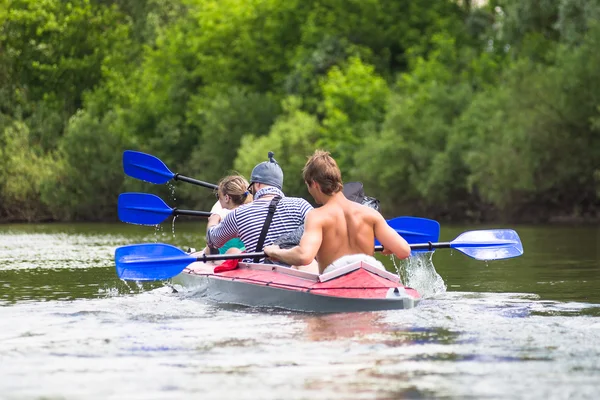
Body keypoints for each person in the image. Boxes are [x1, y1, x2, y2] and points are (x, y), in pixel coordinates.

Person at [264, 150, 411, 274]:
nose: (310, 192)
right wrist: (389, 246)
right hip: (370, 280)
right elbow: (404, 251)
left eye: (308, 186)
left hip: (335, 284)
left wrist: (274, 251)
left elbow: (304, 256)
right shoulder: (370, 214)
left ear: (314, 184)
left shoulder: (317, 217)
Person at [206, 152, 313, 262]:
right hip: (295, 272)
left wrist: (213, 221)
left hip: (258, 274)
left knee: (232, 251)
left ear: (257, 184)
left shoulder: (238, 214)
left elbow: (213, 241)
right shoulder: (302, 205)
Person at [206, 174, 253, 254]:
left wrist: (213, 220)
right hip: (249, 253)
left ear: (227, 198)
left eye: (218, 196)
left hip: (231, 257)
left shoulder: (228, 215)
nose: (218, 199)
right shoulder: (253, 209)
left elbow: (210, 240)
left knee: (208, 249)